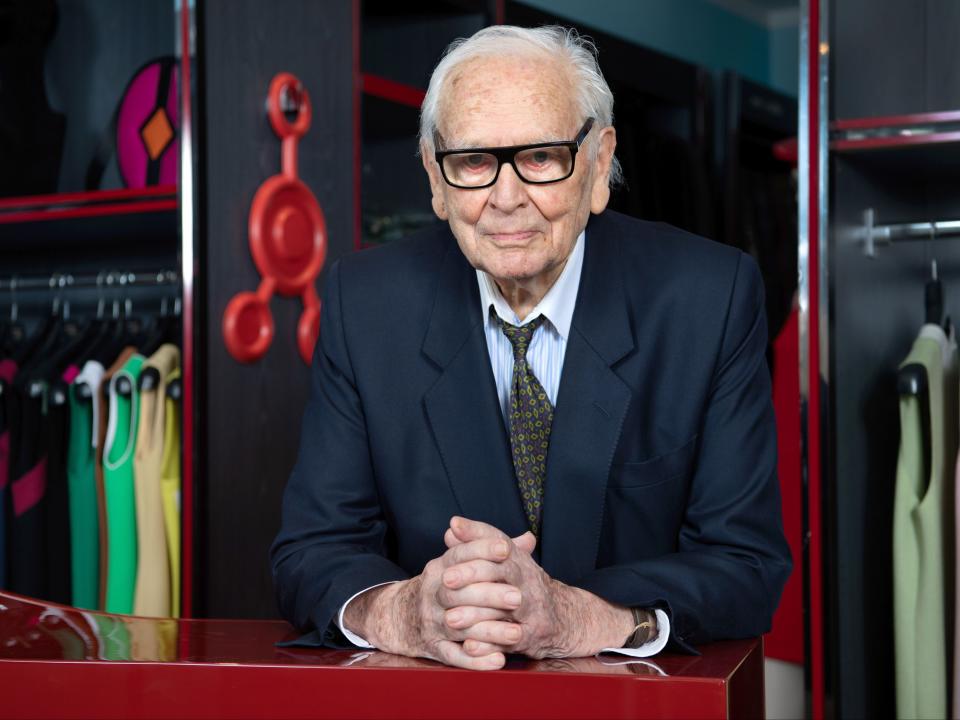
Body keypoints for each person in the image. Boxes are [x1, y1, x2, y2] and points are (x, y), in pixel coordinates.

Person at [270, 24, 791, 671]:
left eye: (542, 157)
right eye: (473, 162)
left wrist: (584, 615)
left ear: (599, 164)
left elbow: (746, 564)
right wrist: (404, 611)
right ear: (435, 177)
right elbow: (310, 551)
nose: (506, 198)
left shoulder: (708, 299)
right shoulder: (365, 304)